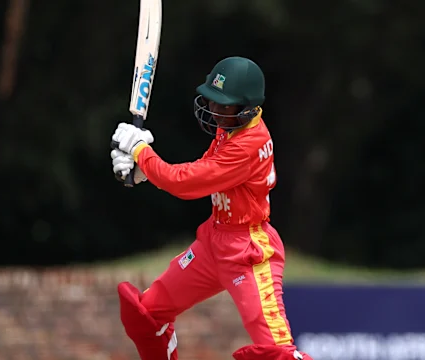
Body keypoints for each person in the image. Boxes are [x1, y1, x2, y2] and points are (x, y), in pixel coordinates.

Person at [109, 56, 311, 360]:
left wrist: (141, 151)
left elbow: (184, 183)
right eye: (213, 101)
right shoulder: (230, 126)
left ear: (248, 107)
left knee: (277, 353)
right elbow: (204, 170)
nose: (215, 111)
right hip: (213, 244)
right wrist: (142, 171)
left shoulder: (249, 143)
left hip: (248, 252)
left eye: (224, 105)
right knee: (146, 315)